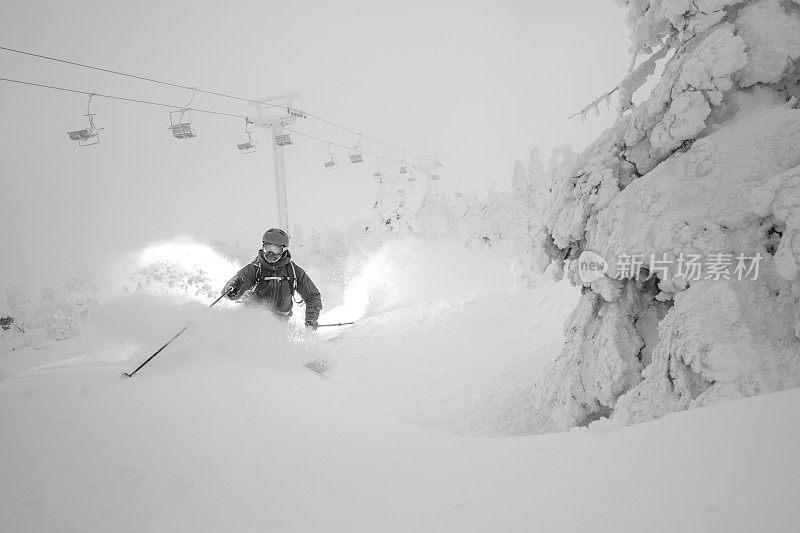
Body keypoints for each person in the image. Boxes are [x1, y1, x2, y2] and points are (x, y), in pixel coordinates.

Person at [221, 228, 322, 329]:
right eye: (267, 248)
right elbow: (240, 279)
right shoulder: (256, 268)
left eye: (275, 249)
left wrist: (311, 318)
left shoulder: (294, 272)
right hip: (253, 321)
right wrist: (232, 288)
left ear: (284, 250)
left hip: (280, 324)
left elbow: (312, 296)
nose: (270, 253)